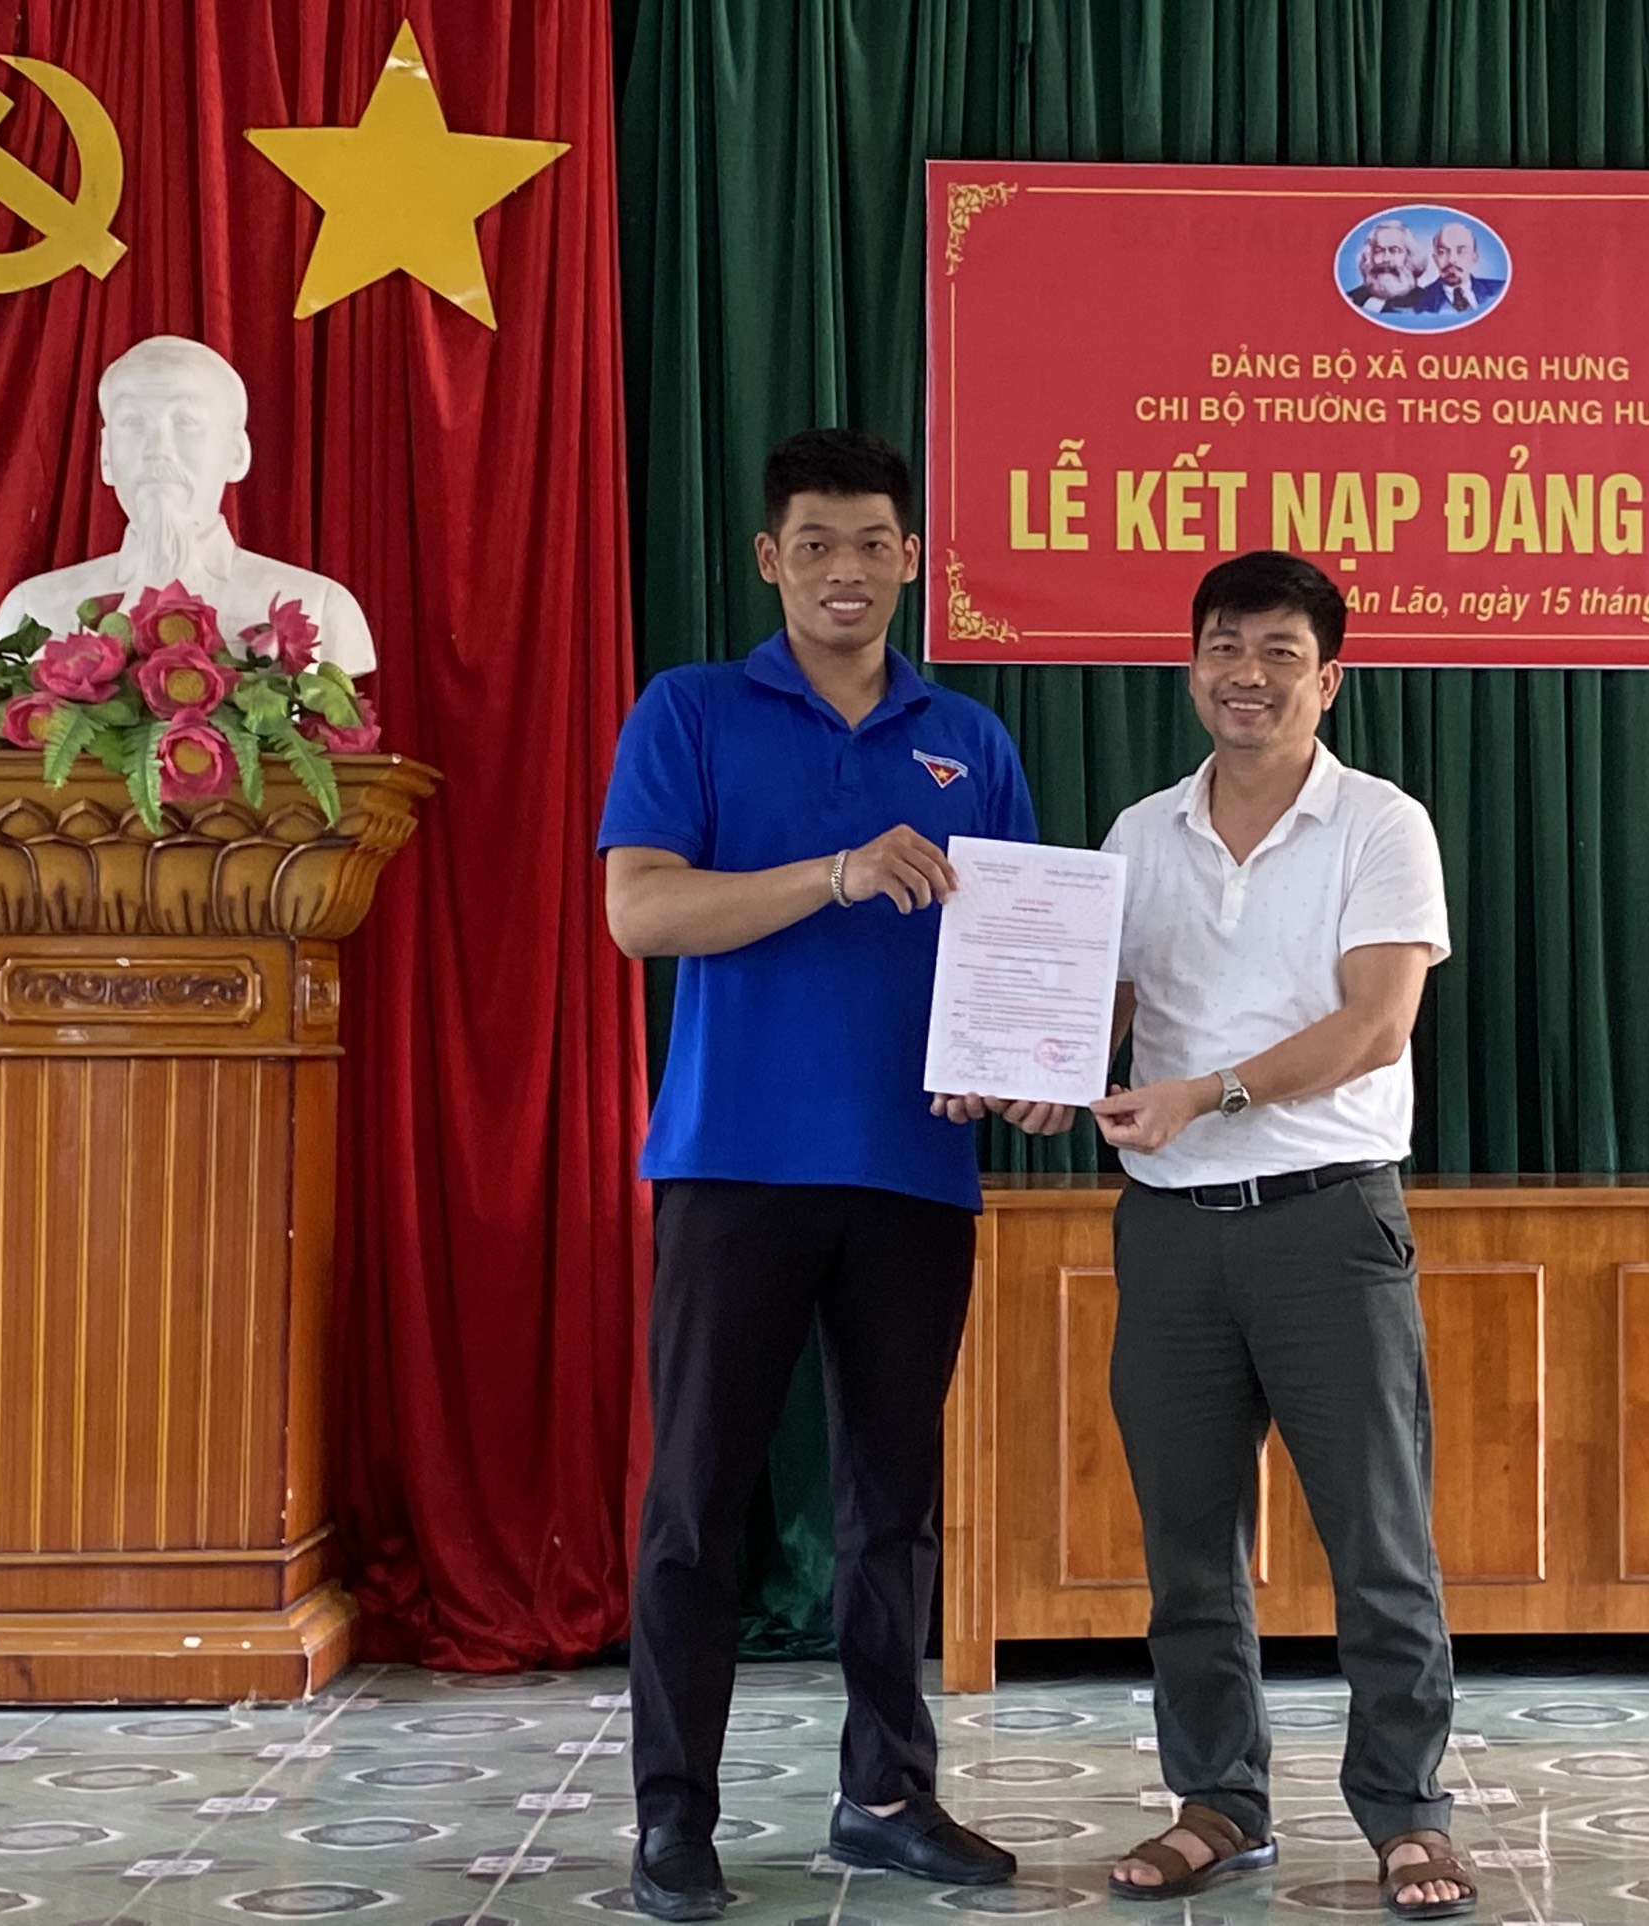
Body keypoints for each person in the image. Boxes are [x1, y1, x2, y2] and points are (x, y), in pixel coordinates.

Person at [599, 428, 1071, 1921]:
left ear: (912, 558)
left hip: (914, 1171)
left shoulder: (970, 737)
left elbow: (1018, 947)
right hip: (733, 1163)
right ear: (770, 560)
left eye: (873, 542)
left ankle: (885, 1793)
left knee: (892, 1503)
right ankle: (673, 1816)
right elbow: (641, 913)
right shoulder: (689, 710)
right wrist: (839, 871)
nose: (845, 570)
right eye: (815, 544)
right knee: (698, 1499)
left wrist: (1030, 1071)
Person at [1089, 552, 1474, 1920]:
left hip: (1328, 1224)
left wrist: (1207, 1093)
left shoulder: (1381, 824)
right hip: (1170, 1233)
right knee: (1188, 1549)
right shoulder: (1139, 834)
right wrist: (1019, 1070)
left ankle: (1409, 1814)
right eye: (1223, 646)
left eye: (1278, 652)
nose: (1245, 674)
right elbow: (1100, 1016)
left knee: (1379, 1540)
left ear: (1329, 679)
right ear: (1192, 663)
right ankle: (1217, 1802)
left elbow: (1376, 1024)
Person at [0, 334, 374, 672]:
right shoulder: (31, 610)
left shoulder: (322, 608)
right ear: (106, 456)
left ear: (237, 454)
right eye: (132, 423)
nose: (158, 448)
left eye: (186, 422)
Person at [1345, 219, 1433, 315]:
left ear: (1409, 257)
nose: (1386, 259)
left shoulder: (1428, 302)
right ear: (1369, 257)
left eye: (1394, 250)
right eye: (1379, 251)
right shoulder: (1351, 298)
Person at [1426, 223, 1506, 317]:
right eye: (1442, 252)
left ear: (1474, 258)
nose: (1451, 259)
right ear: (1435, 260)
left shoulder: (1501, 290)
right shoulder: (1419, 302)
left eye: (1461, 251)